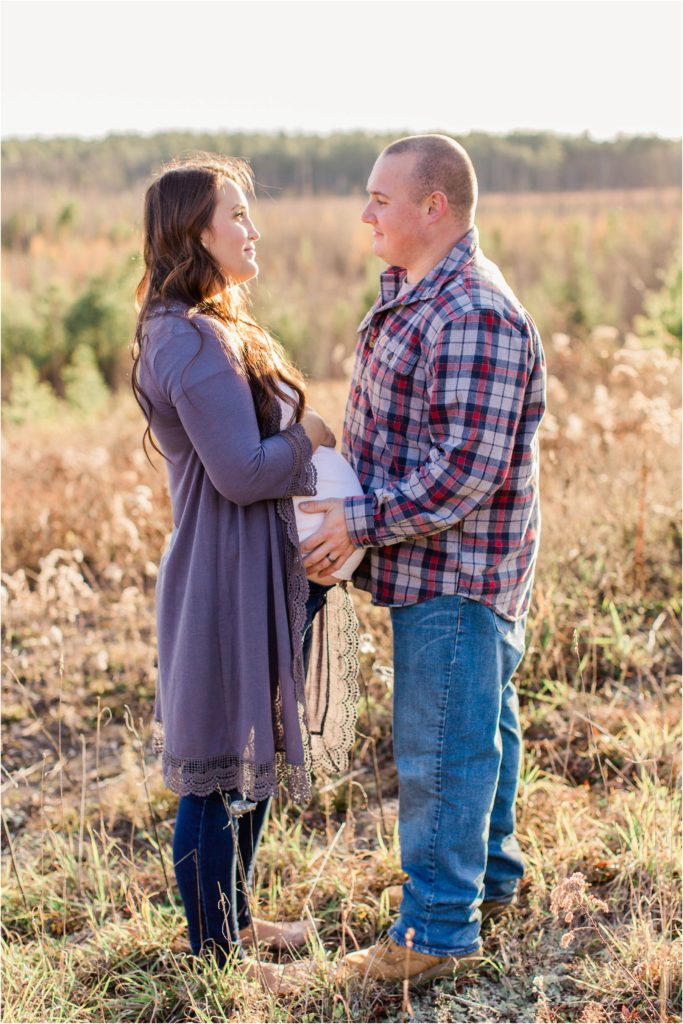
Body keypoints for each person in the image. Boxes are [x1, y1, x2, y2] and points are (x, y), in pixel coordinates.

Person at [301, 134, 547, 986]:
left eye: (380, 197)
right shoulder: (419, 291)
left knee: (440, 748)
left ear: (432, 206)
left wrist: (356, 521)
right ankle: (493, 882)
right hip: (441, 566)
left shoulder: (473, 311)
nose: (364, 212)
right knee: (481, 725)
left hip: (457, 571)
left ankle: (435, 934)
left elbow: (462, 477)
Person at [131, 154, 357, 989]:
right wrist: (315, 435)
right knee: (219, 762)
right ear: (194, 232)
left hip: (260, 565)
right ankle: (216, 958)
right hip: (223, 575)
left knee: (249, 748)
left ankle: (236, 919)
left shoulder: (208, 325)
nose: (251, 229)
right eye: (236, 215)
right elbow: (239, 471)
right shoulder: (184, 337)